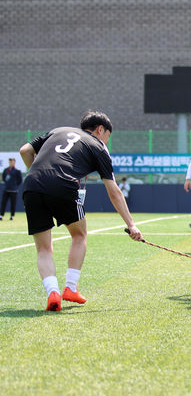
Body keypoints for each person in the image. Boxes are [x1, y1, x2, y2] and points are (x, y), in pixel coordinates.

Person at [19, 111, 143, 311]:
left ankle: (53, 292)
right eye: (108, 137)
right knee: (79, 235)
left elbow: (25, 150)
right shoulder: (98, 146)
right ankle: (70, 288)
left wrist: (38, 174)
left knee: (43, 248)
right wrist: (131, 225)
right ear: (100, 130)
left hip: (32, 184)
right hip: (63, 184)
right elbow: (114, 191)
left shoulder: (57, 130)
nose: (107, 142)